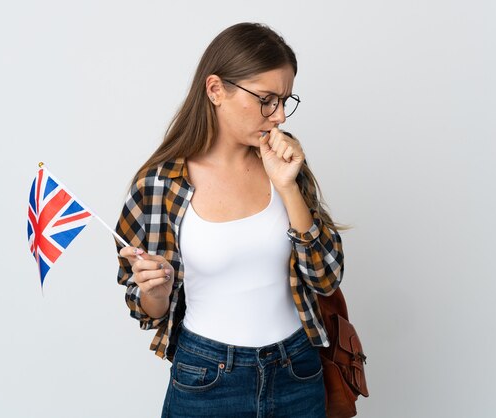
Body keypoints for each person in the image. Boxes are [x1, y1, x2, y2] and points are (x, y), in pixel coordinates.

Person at [116, 22, 344, 418]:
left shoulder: (284, 166)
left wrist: (288, 187)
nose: (278, 117)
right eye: (266, 99)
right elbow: (145, 308)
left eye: (285, 101)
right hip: (206, 379)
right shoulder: (159, 185)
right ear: (216, 90)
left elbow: (326, 277)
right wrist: (157, 290)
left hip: (297, 371)